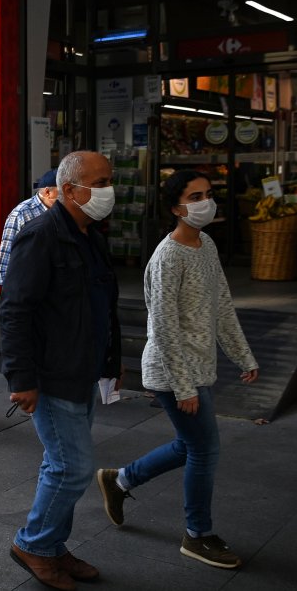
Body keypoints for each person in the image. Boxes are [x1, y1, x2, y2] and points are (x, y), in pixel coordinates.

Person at [94, 170, 259, 570]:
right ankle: (197, 535)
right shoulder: (167, 257)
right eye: (195, 196)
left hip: (199, 367)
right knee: (205, 450)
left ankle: (120, 481)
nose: (205, 202)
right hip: (172, 372)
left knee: (191, 446)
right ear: (175, 208)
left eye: (208, 194)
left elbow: (222, 306)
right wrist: (183, 386)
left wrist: (243, 355)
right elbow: (162, 327)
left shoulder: (206, 245)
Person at [0, 150, 120, 591]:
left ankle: (51, 546)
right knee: (73, 467)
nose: (110, 190)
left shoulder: (90, 235)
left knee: (61, 464)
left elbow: (103, 306)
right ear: (70, 190)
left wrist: (110, 363)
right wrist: (22, 379)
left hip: (82, 369)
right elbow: (14, 311)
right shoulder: (40, 235)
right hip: (50, 376)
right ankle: (33, 543)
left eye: (110, 180)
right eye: (101, 182)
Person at [0, 168, 60, 287]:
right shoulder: (22, 213)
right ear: (47, 192)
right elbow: (5, 260)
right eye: (62, 193)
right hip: (28, 288)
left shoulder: (64, 212)